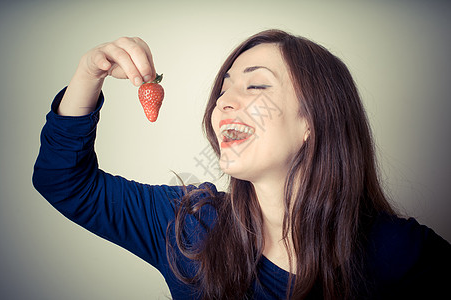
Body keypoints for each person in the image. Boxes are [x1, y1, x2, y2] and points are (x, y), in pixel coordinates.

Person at [33, 29, 451, 299]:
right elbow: (62, 181)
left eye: (255, 84)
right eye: (224, 89)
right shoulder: (190, 226)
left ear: (313, 119)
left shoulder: (398, 252)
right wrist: (88, 75)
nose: (223, 102)